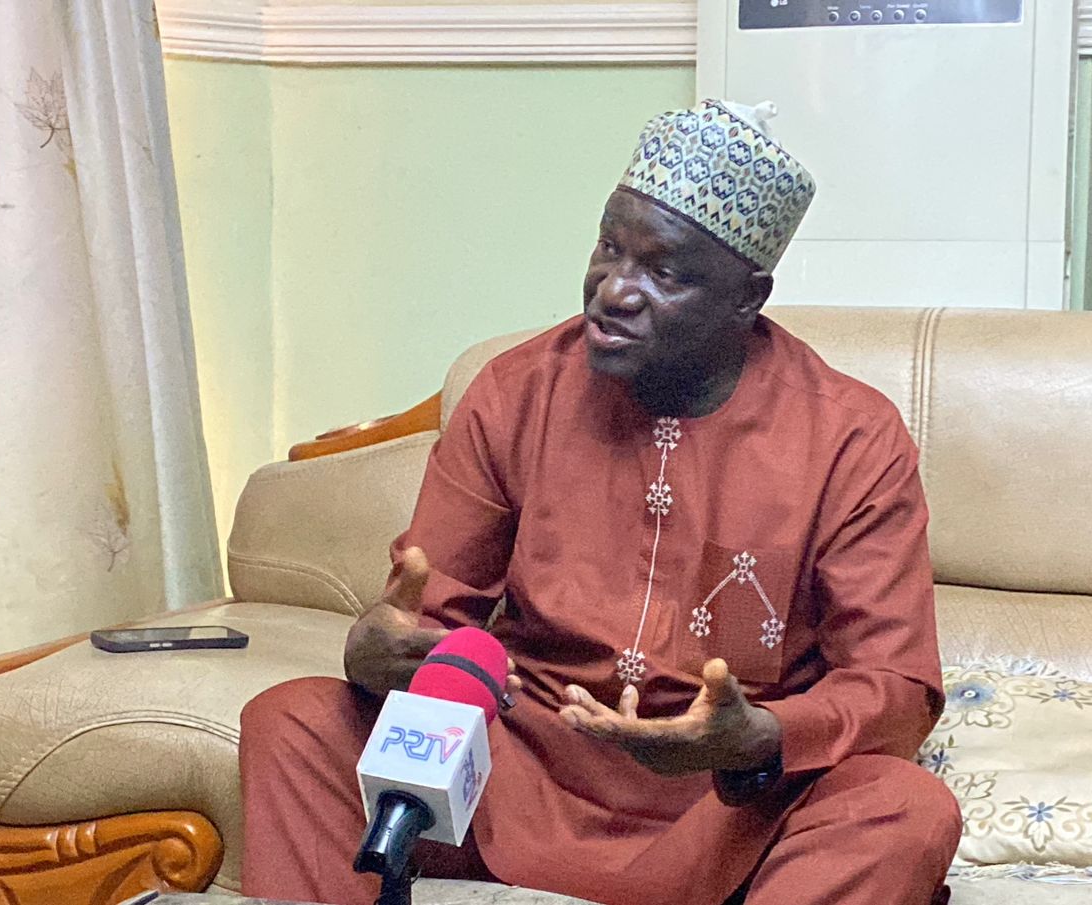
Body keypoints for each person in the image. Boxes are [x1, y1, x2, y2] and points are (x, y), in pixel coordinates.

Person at [239, 99, 962, 905]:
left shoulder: (849, 435)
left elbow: (894, 685)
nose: (615, 290)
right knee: (293, 722)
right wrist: (373, 648)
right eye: (609, 248)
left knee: (903, 808)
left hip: (725, 808)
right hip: (517, 772)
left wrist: (758, 737)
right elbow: (426, 623)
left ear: (747, 298)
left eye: (665, 272)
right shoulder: (518, 391)